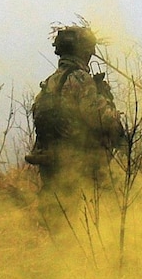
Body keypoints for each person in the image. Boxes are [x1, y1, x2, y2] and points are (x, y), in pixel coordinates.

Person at [25, 25, 125, 225]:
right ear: (85, 51)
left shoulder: (49, 83)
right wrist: (115, 119)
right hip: (79, 163)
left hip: (51, 161)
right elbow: (98, 117)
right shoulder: (80, 78)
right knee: (110, 204)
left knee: (60, 221)